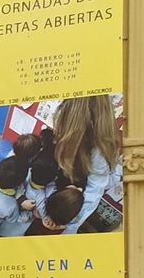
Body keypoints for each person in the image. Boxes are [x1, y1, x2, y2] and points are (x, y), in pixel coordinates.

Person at [52, 95, 121, 234]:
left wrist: (70, 225)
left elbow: (94, 191)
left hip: (86, 185)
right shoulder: (66, 115)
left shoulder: (99, 150)